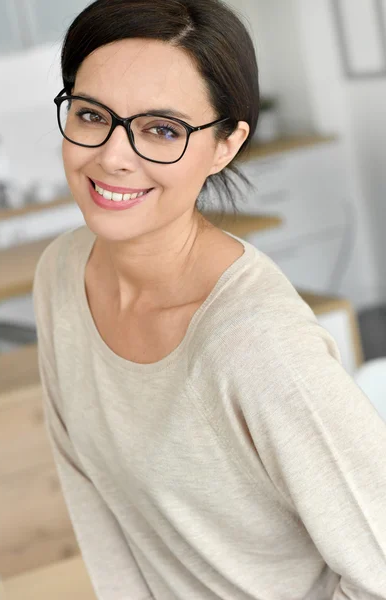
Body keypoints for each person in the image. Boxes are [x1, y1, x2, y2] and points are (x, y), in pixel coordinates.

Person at [32, 0, 386, 598]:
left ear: (225, 144)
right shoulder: (62, 274)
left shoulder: (259, 344)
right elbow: (94, 501)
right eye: (92, 115)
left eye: (162, 130)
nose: (114, 156)